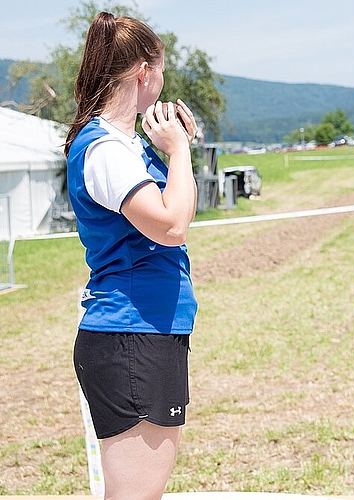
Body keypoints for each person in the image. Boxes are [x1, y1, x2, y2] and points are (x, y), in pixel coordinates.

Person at [64, 12, 199, 500]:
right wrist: (179, 154)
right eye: (161, 70)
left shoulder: (127, 147)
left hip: (145, 333)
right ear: (144, 71)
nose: (163, 82)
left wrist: (174, 153)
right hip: (130, 335)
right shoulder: (104, 150)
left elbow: (176, 214)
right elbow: (172, 225)